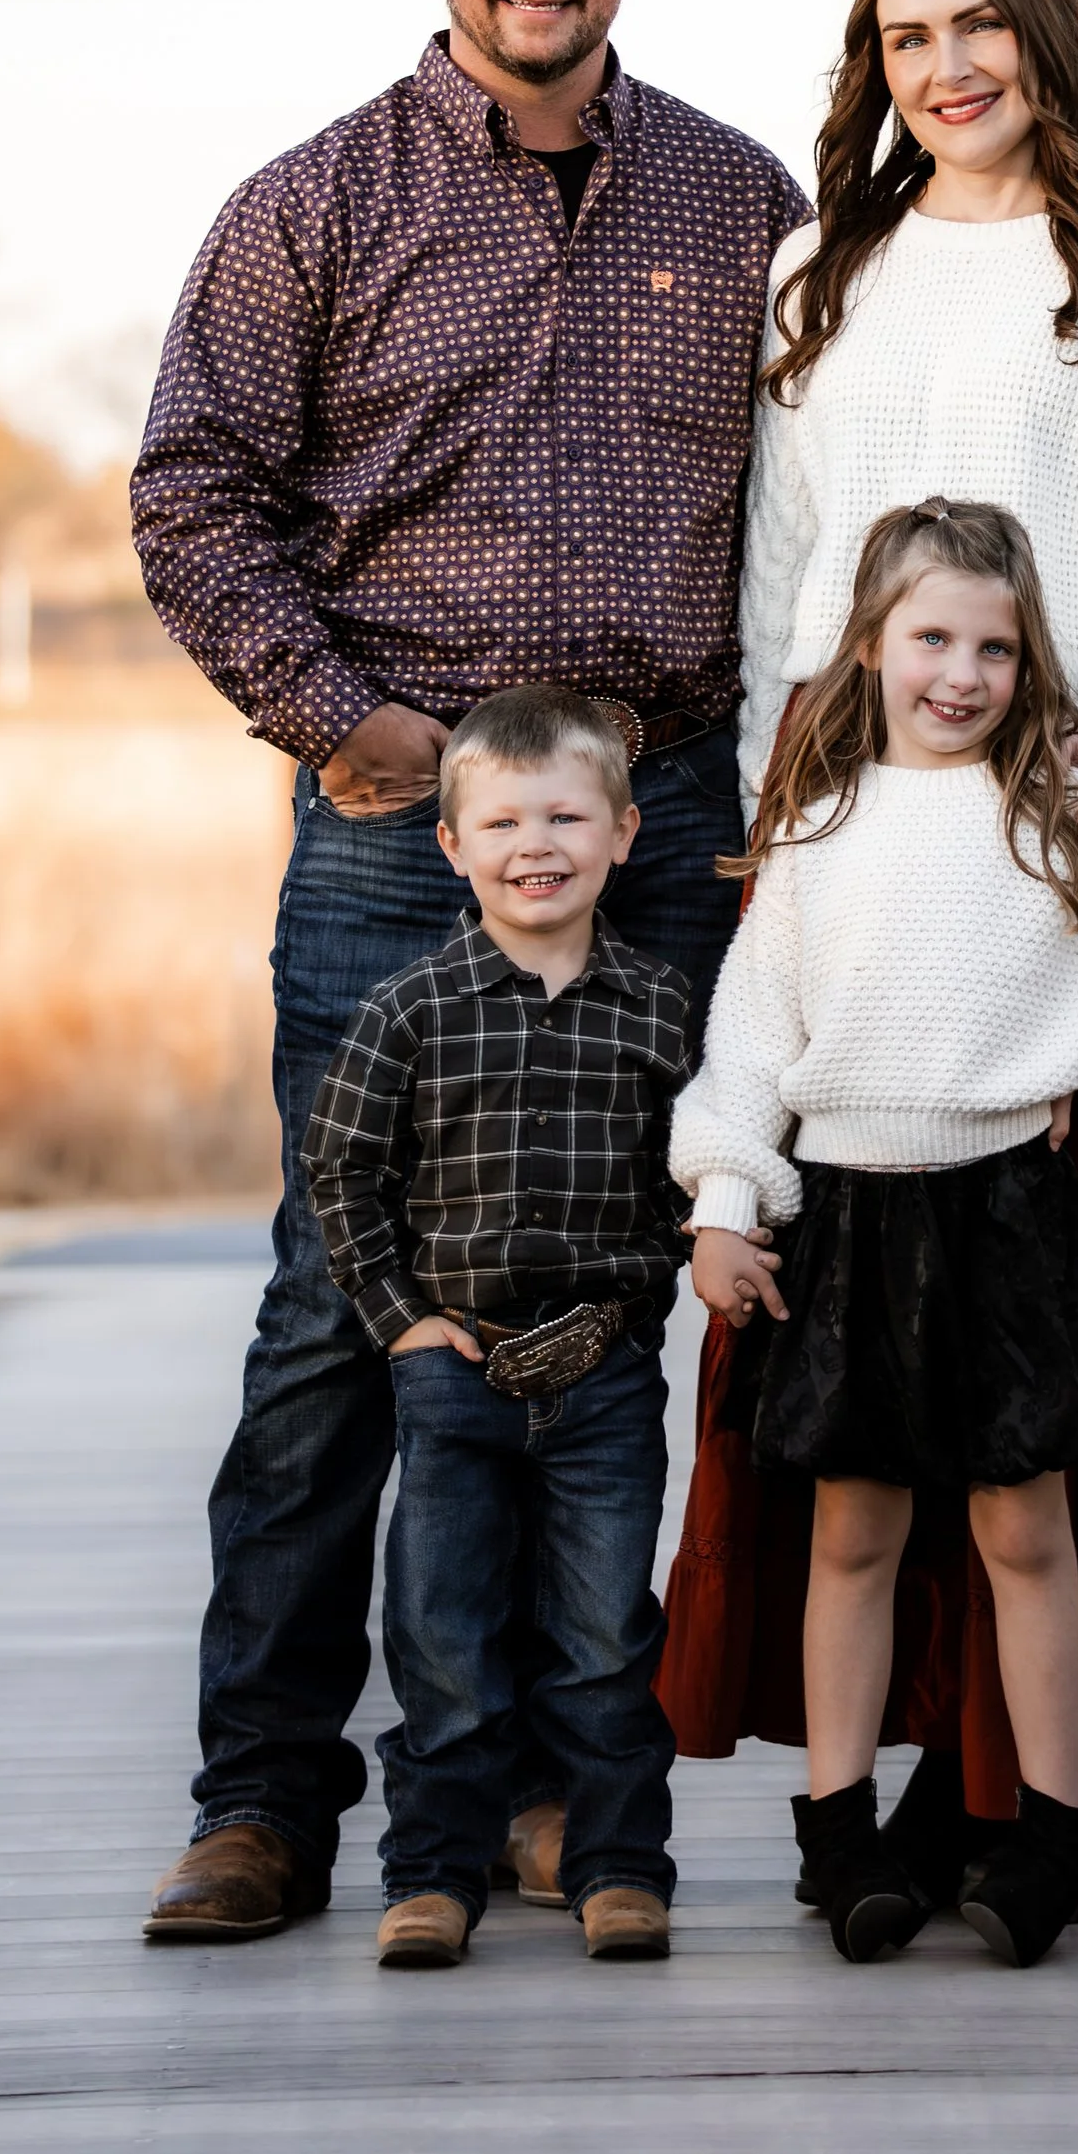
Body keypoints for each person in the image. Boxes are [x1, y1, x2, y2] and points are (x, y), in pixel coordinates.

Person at [131, 0, 806, 1941]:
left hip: (670, 809)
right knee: (347, 1303)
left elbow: (828, 513)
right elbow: (194, 495)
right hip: (396, 834)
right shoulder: (310, 206)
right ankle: (261, 1802)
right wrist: (355, 732)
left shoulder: (740, 210)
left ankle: (533, 1790)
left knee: (618, 1294)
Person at [660, 0, 1078, 1907]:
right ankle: (865, 1800)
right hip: (863, 879)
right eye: (899, 36)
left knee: (1047, 1389)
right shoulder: (816, 274)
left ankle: (1053, 1798)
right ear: (872, 66)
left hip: (1053, 855)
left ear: (1037, 31)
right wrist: (790, 803)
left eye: (972, 28)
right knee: (860, 1402)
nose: (938, 69)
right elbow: (786, 573)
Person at [671, 500, 1078, 1967]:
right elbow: (752, 1035)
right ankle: (840, 1836)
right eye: (932, 635)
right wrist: (725, 1203)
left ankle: (1053, 1832)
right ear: (868, 645)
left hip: (1006, 1214)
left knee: (1025, 1530)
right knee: (854, 1537)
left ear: (1028, 662)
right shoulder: (816, 827)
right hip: (852, 1221)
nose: (963, 670)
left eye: (996, 645)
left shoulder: (1049, 819)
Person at [305, 689, 688, 1969]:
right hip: (453, 1373)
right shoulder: (410, 1007)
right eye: (505, 819)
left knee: (604, 1637)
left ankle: (618, 1865)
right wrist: (397, 1320)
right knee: (444, 1634)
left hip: (605, 1373)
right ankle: (432, 1873)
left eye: (569, 815)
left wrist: (671, 1288)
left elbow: (702, 1166)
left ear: (625, 834)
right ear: (451, 845)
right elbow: (341, 1170)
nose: (539, 843)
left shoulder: (658, 1010)